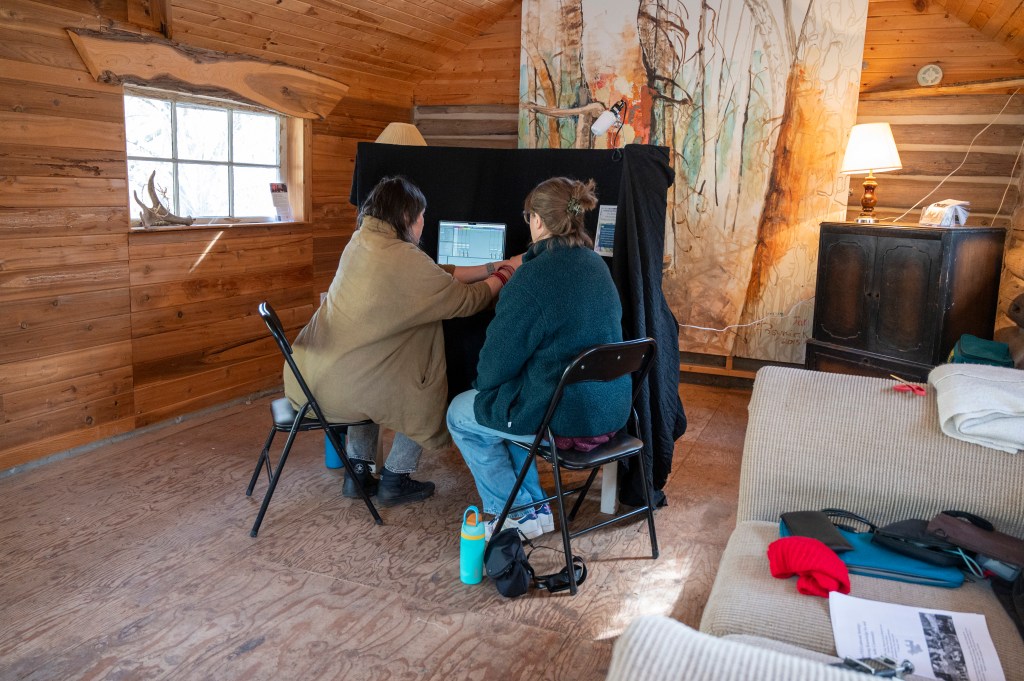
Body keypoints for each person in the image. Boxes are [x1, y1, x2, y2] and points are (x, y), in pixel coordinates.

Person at [284, 176, 519, 507]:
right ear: (406, 216)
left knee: (373, 372)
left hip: (310, 382)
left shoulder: (363, 241)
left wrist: (493, 266)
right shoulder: (401, 257)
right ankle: (396, 477)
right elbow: (466, 301)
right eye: (421, 216)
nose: (424, 223)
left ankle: (358, 473)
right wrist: (507, 273)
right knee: (422, 386)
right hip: (343, 391)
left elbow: (433, 273)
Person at [446, 177, 631, 539]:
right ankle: (535, 509)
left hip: (563, 421)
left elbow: (490, 372)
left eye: (528, 215)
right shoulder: (597, 267)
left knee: (462, 413)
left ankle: (515, 513)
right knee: (511, 410)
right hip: (611, 411)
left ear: (539, 222)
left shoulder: (531, 280)